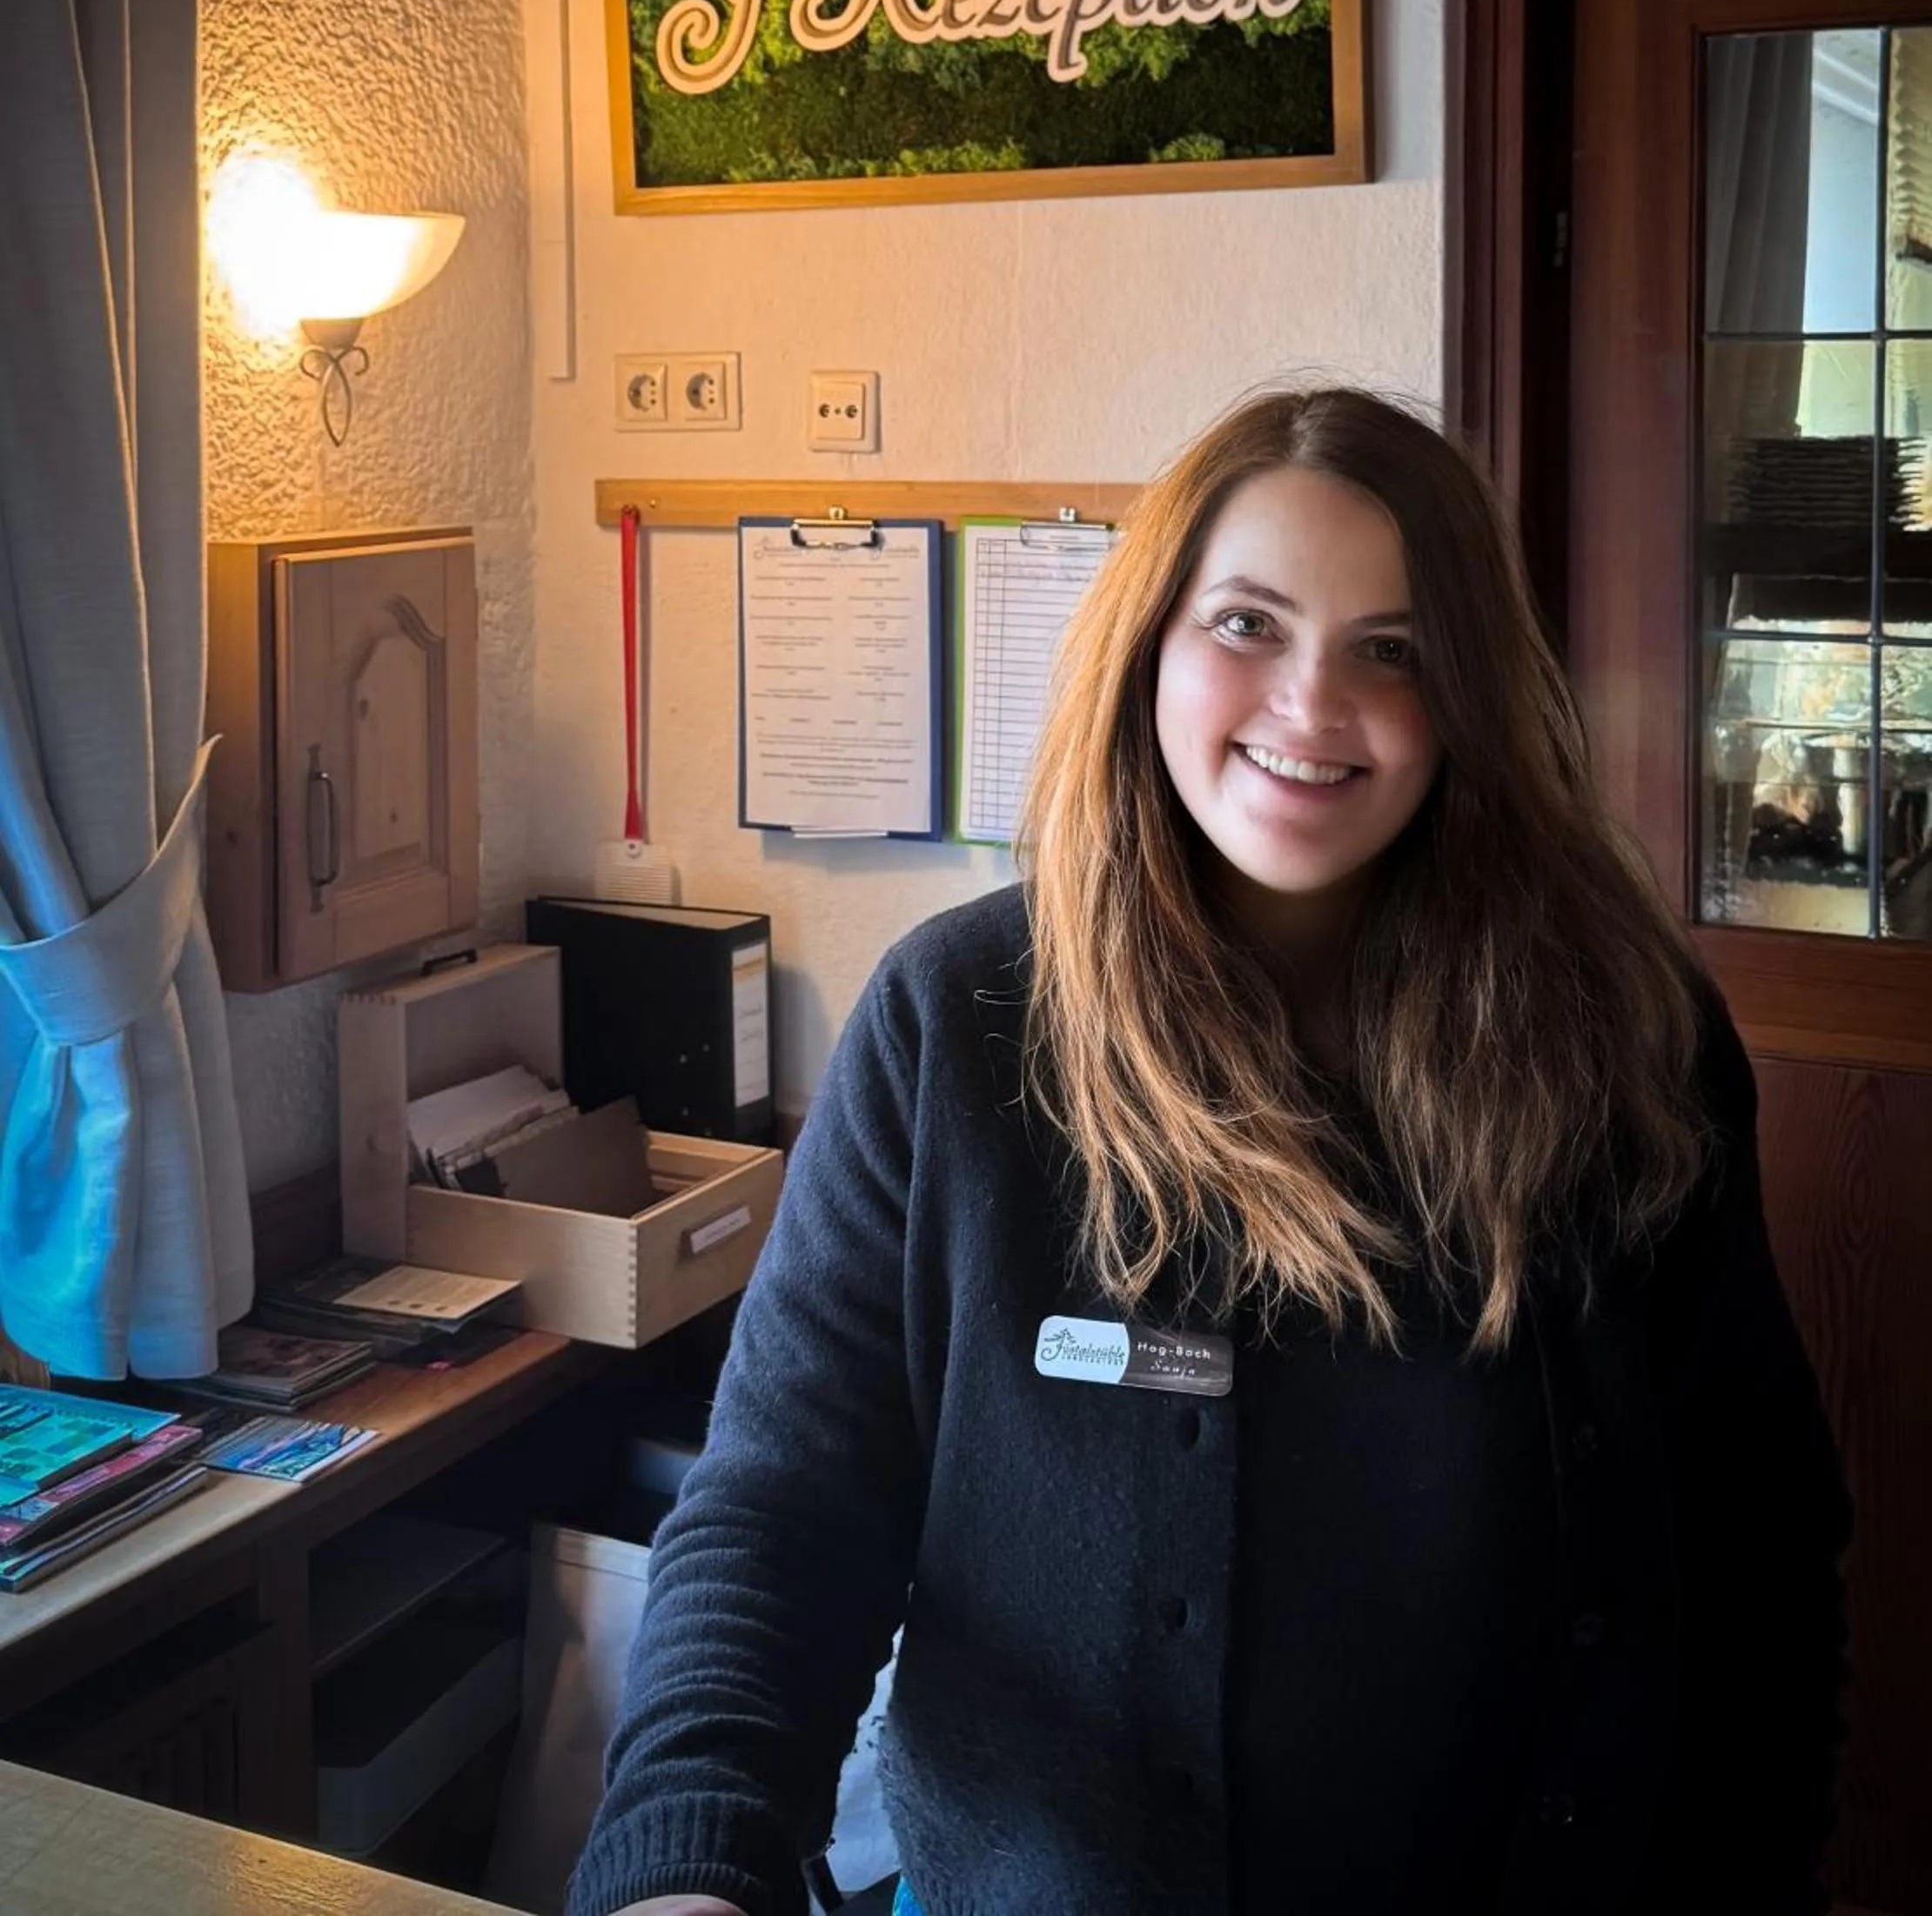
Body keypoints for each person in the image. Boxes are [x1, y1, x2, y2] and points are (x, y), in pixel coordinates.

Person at [569, 384, 1851, 1916]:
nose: (1313, 708)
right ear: (1151, 646)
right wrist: (686, 1861)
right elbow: (781, 1515)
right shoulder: (956, 1023)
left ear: (1475, 697)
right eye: (1248, 623)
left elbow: (1758, 1563)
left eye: (1395, 649)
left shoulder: (1629, 1043)